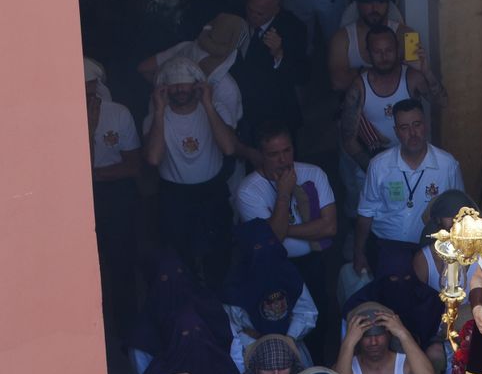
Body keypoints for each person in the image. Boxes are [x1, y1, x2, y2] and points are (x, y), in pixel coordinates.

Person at [230, 128, 335, 346]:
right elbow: (273, 239)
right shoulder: (249, 190)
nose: (283, 159)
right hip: (272, 268)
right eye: (273, 154)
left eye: (287, 151)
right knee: (284, 329)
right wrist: (284, 193)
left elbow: (329, 227)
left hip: (311, 262)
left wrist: (279, 228)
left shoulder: (314, 173)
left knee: (320, 323)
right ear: (261, 156)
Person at [143, 56, 240, 287]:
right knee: (180, 263)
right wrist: (158, 112)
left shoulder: (215, 109)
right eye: (174, 84)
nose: (179, 89)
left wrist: (207, 103)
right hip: (175, 197)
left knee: (218, 259)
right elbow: (153, 158)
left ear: (196, 85)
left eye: (185, 83)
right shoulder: (156, 117)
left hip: (211, 193)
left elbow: (229, 148)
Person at [354, 100, 463, 278]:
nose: (412, 134)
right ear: (396, 132)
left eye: (417, 125)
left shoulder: (447, 165)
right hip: (388, 246)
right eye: (404, 128)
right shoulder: (379, 166)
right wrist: (358, 253)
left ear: (425, 125)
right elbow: (365, 213)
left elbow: (460, 212)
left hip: (432, 247)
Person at [338, 26, 445, 193]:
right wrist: (378, 171)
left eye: (389, 50)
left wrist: (426, 71)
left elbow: (442, 102)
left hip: (415, 163)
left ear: (397, 50)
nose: (384, 57)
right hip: (373, 166)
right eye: (377, 52)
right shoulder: (359, 87)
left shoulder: (412, 77)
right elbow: (348, 140)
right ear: (368, 54)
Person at [85, 57, 142, 336]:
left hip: (113, 194)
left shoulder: (118, 113)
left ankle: (127, 330)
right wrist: (88, 128)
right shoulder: (58, 115)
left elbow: (133, 165)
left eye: (91, 90)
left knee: (121, 263)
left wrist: (94, 176)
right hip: (80, 198)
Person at [221, 220, 318, 372]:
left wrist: (290, 337)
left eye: (269, 244)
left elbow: (307, 312)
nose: (266, 252)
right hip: (254, 355)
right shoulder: (234, 287)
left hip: (291, 347)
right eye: (258, 248)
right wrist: (259, 343)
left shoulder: (289, 275)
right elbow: (234, 331)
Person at [232, 0, 308, 146]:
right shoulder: (236, 18)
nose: (252, 16)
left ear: (275, 9)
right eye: (249, 10)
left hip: (276, 110)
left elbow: (302, 75)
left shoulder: (293, 29)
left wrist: (279, 54)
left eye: (259, 13)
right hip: (241, 109)